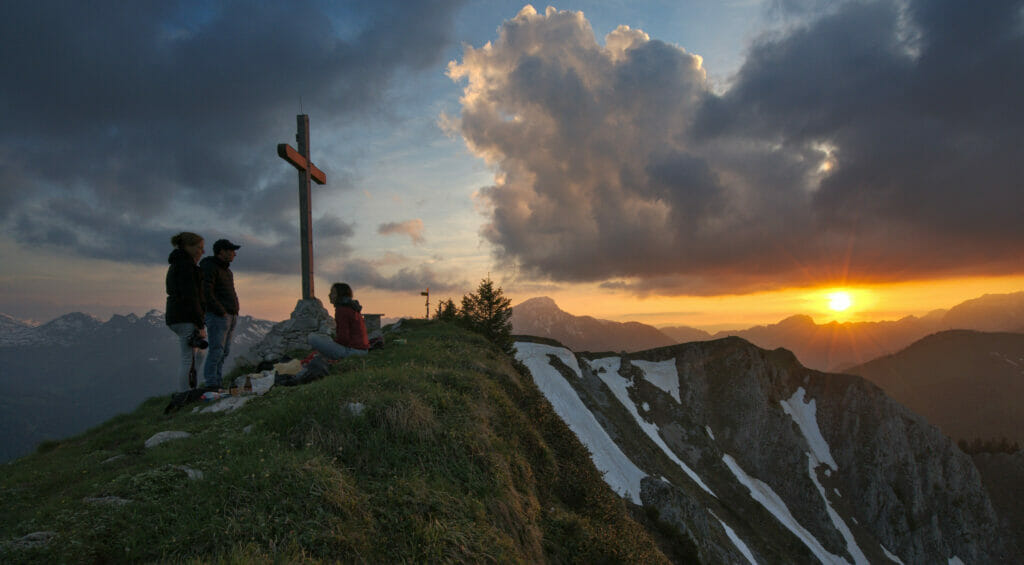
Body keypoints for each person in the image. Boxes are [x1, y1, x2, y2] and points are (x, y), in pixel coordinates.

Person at [165, 232, 206, 392]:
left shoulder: (178, 264)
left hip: (176, 316)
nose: (202, 252)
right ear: (188, 247)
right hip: (185, 317)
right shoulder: (186, 267)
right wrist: (200, 324)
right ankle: (186, 394)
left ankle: (190, 388)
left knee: (198, 353)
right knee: (188, 358)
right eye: (199, 248)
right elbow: (191, 297)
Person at [200, 239, 241, 389]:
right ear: (221, 251)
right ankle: (212, 384)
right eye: (231, 250)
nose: (234, 254)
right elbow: (206, 291)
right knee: (217, 350)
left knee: (224, 351)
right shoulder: (209, 267)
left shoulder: (227, 271)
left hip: (230, 315)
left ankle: (217, 382)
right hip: (219, 316)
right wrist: (220, 311)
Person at [308, 282, 370, 360]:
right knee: (326, 339)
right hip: (363, 350)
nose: (329, 295)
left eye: (333, 293)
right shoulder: (352, 307)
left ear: (340, 295)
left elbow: (343, 339)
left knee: (312, 337)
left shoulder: (342, 310)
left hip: (353, 352)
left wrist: (331, 345)